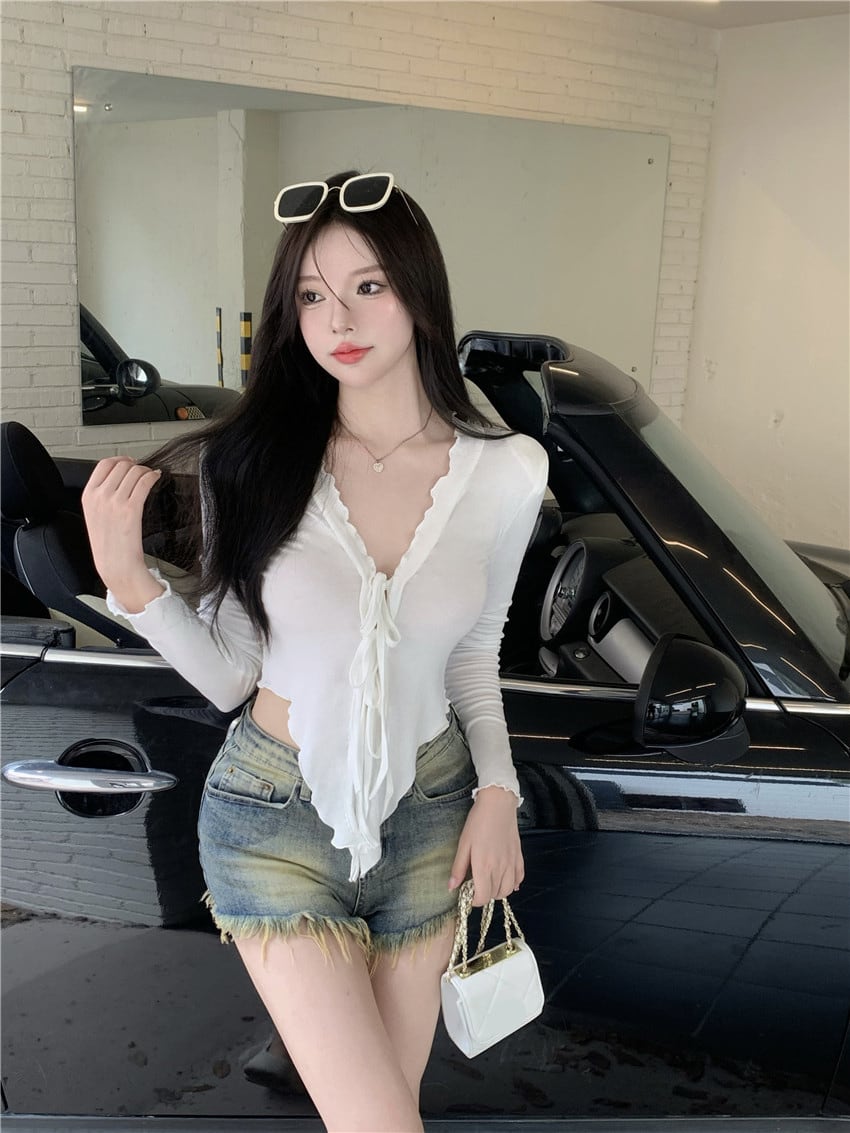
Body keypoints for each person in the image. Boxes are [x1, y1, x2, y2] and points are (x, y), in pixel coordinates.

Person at [82, 170, 548, 1132]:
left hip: (430, 822)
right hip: (274, 821)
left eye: (368, 285)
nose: (338, 318)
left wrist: (499, 792)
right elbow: (231, 674)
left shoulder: (507, 471)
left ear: (420, 291)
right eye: (310, 294)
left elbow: (474, 655)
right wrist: (133, 586)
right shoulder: (247, 462)